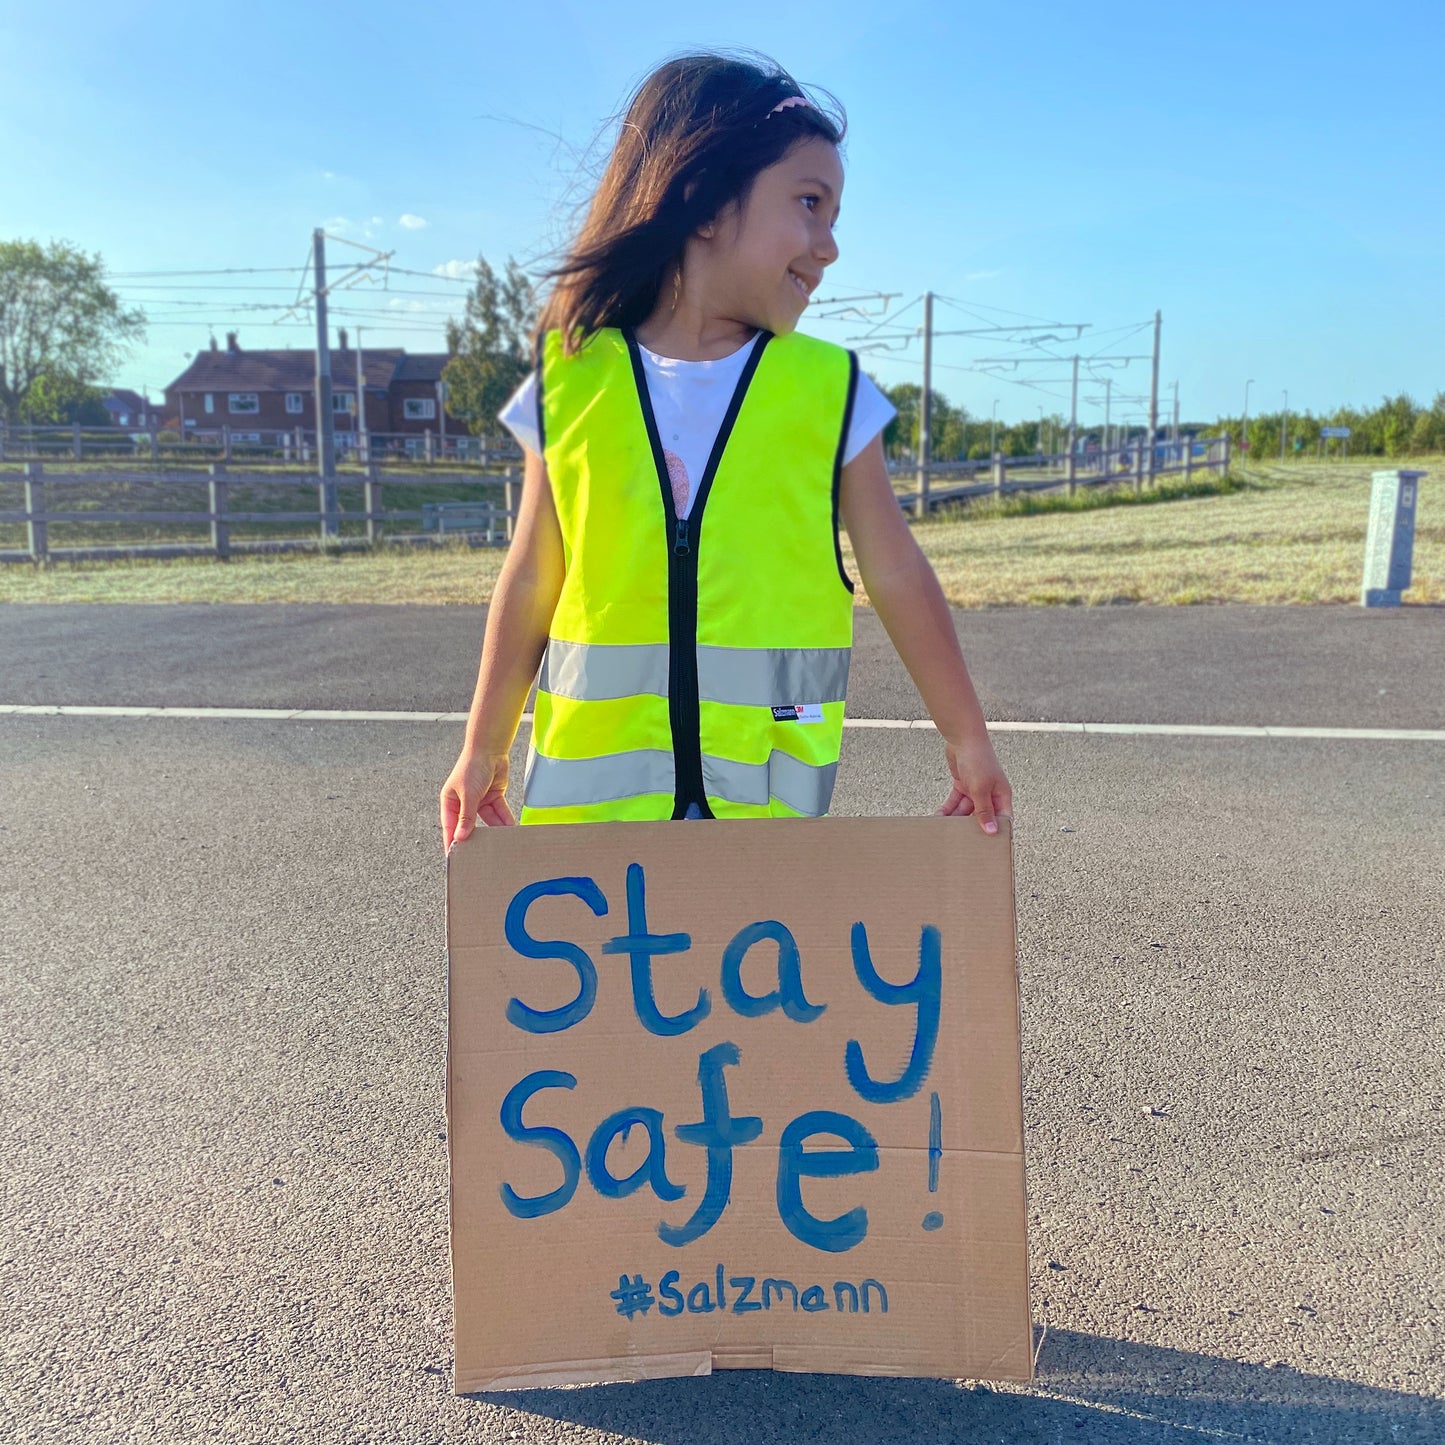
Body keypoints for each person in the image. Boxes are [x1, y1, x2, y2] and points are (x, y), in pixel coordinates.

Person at [440, 50, 1011, 848]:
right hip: (589, 820)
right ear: (703, 201)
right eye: (809, 203)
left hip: (762, 817)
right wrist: (482, 747)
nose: (827, 245)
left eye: (834, 216)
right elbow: (533, 571)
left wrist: (966, 735)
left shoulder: (829, 392)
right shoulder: (568, 384)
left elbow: (894, 569)